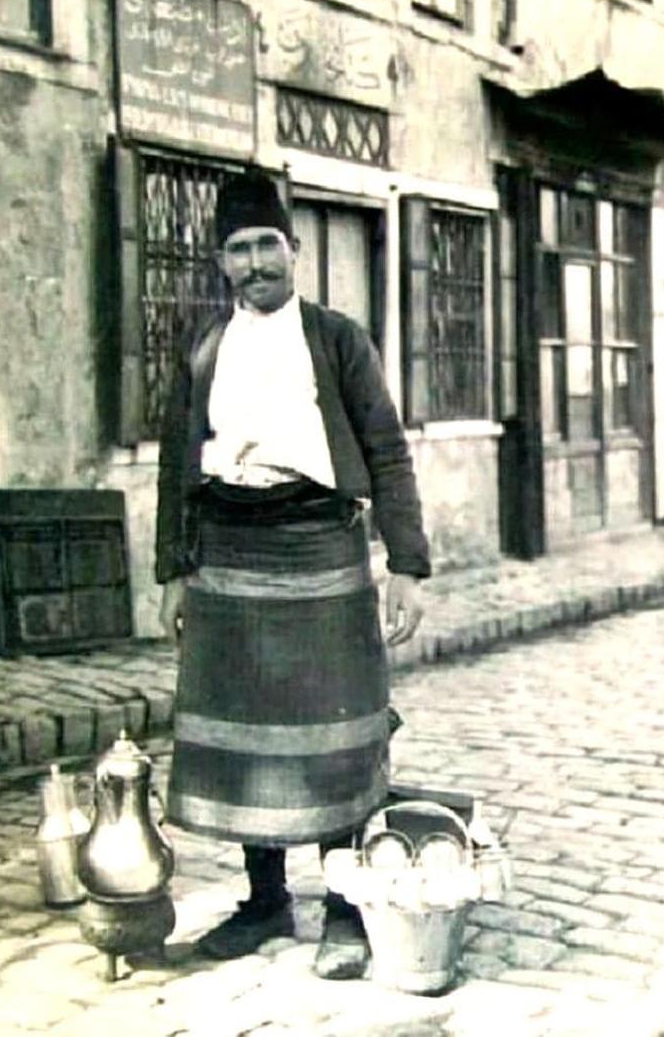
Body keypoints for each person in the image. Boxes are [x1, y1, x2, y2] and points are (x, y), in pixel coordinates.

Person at [155, 167, 430, 980]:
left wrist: (405, 565)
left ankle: (346, 906)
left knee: (334, 734)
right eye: (237, 250)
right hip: (230, 552)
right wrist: (175, 567)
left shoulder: (337, 338)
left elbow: (385, 447)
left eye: (267, 246)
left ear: (295, 250)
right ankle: (264, 899)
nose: (254, 264)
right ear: (221, 262)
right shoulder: (205, 346)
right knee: (245, 732)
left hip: (320, 547)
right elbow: (178, 459)